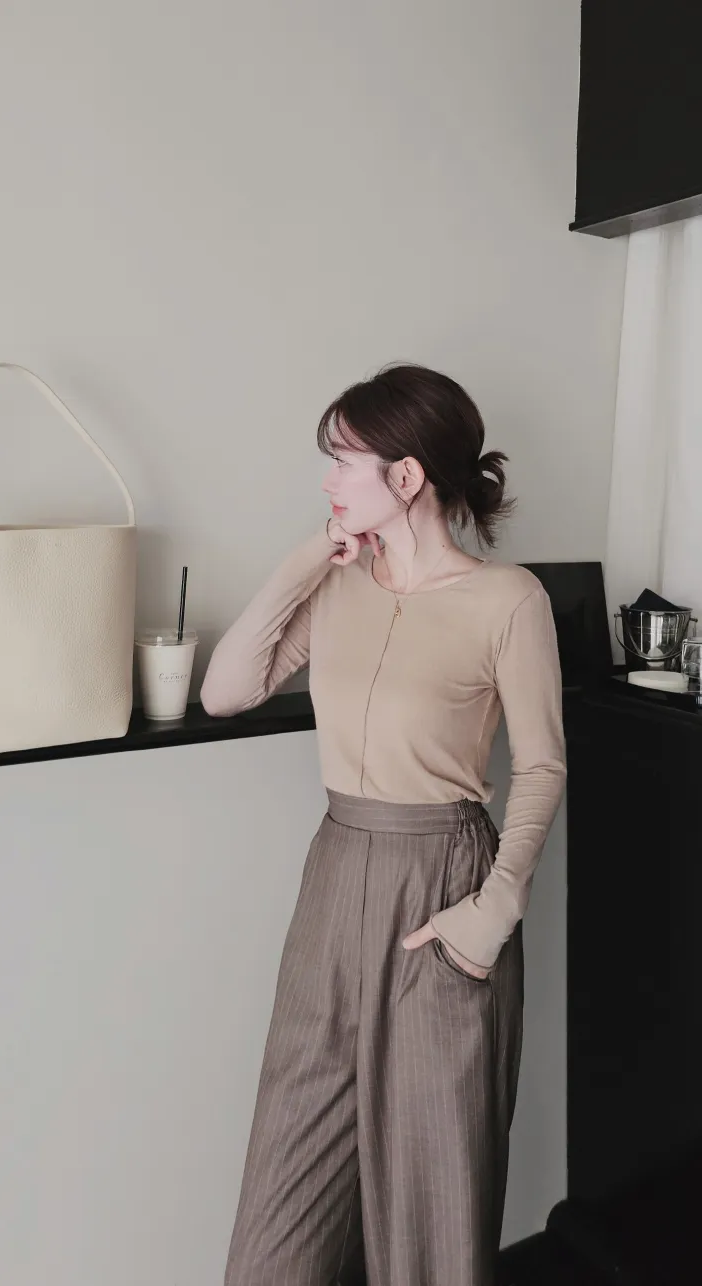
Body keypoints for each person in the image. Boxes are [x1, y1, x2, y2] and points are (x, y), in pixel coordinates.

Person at [201, 362, 567, 1286]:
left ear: (406, 476)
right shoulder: (339, 587)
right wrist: (305, 560)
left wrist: (496, 907)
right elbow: (225, 692)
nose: (328, 479)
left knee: (432, 1215)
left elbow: (541, 765)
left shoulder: (509, 600)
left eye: (343, 461)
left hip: (445, 888)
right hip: (335, 881)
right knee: (277, 1235)